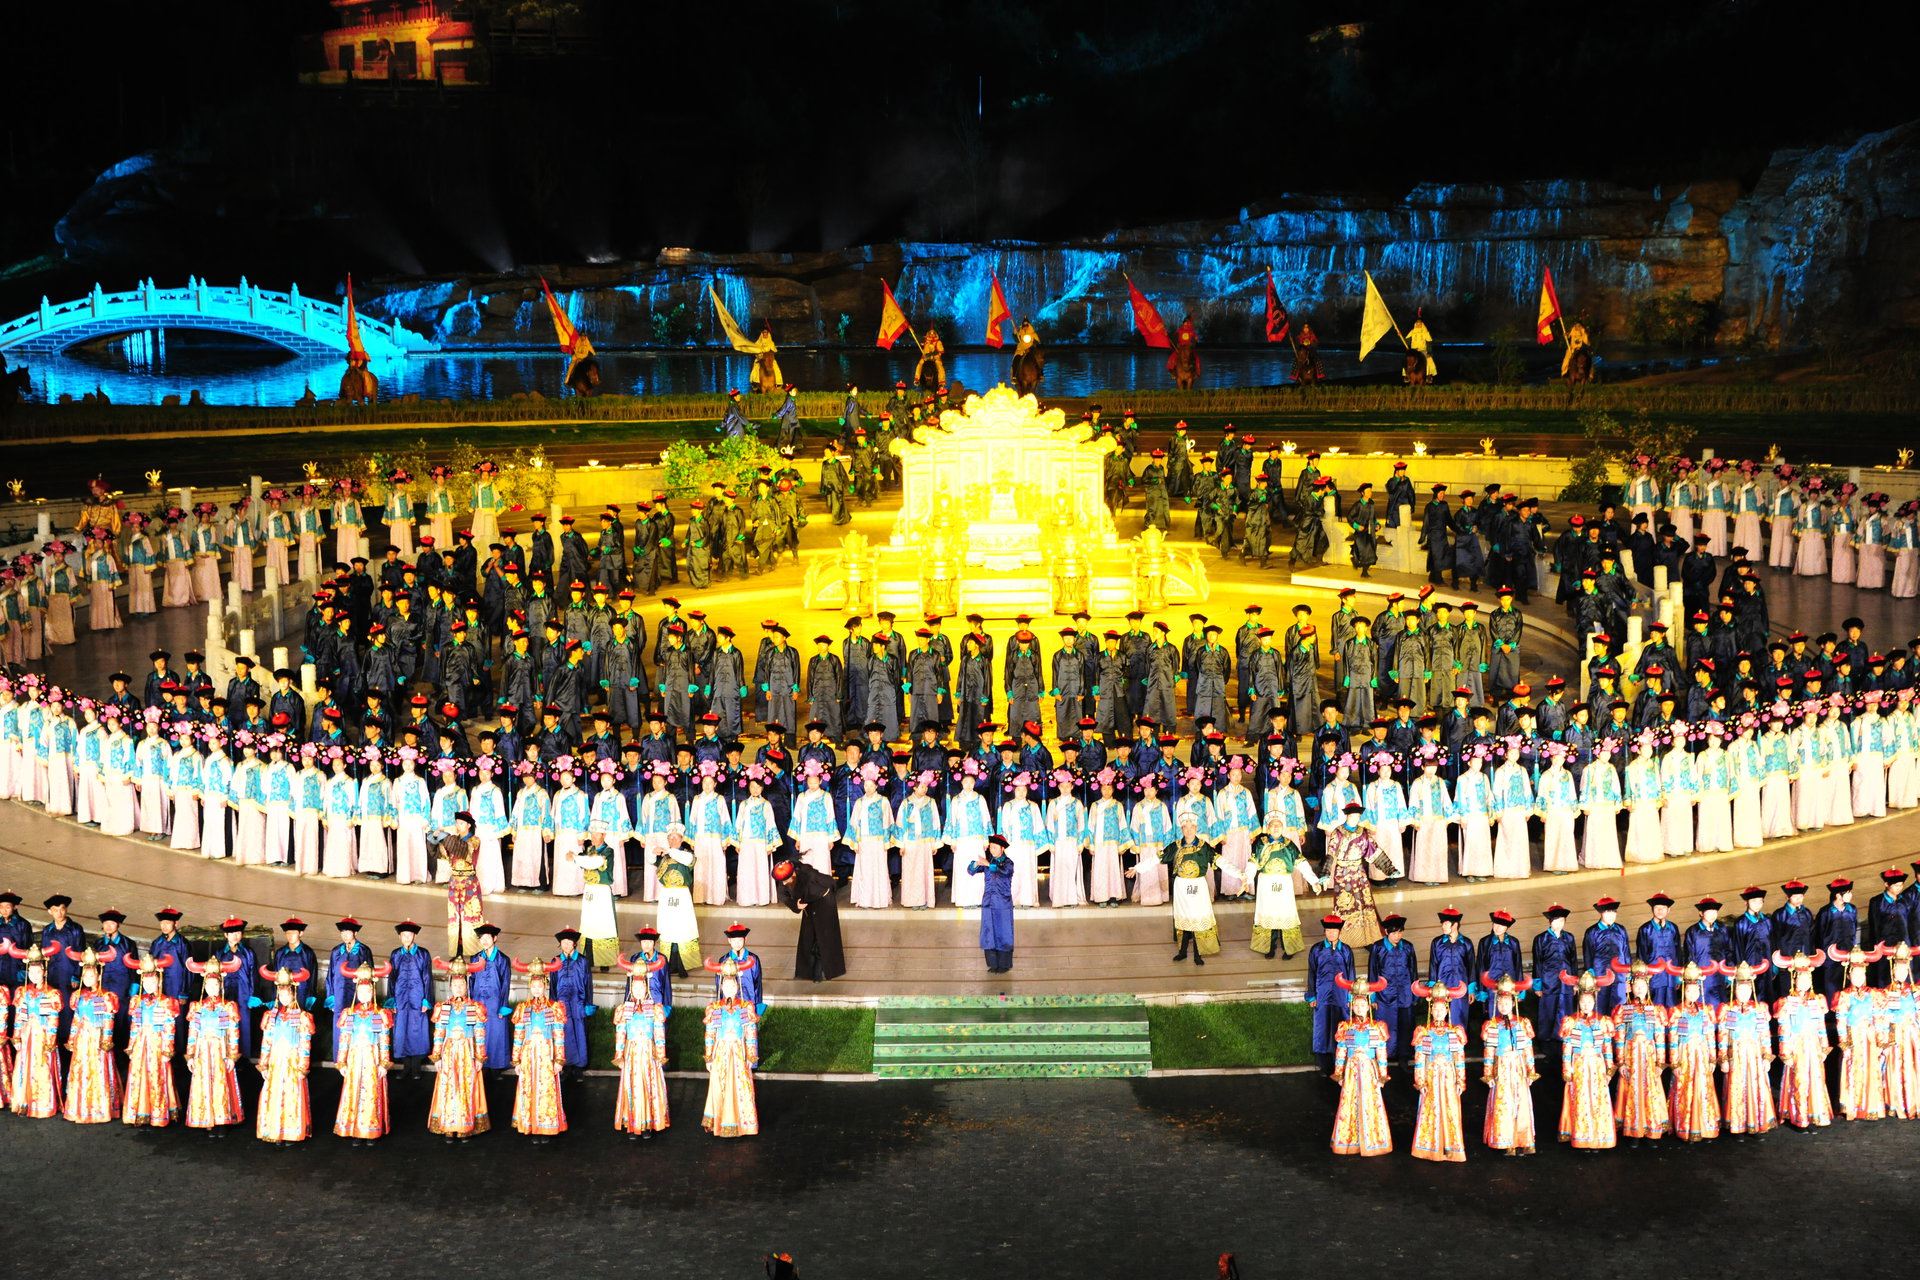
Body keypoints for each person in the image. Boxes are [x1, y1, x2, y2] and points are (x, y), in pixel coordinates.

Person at [1328, 978, 1392, 1157]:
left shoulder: (1377, 1027)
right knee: (1349, 1101)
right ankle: (1350, 1140)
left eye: (1362, 1005)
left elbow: (1381, 1052)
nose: (1359, 1009)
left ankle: (1373, 1140)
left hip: (1369, 1071)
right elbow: (1341, 1052)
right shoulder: (1346, 1027)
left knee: (1371, 1102)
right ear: (1351, 1006)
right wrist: (1339, 1074)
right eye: (1356, 1006)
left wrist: (1382, 1075)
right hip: (1351, 1070)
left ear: (1369, 1006)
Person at [1609, 960, 1671, 1145]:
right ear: (1631, 986)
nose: (1639, 988)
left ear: (1648, 986)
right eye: (1636, 985)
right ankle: (1634, 1130)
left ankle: (1652, 1130)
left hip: (1650, 1058)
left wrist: (1661, 1062)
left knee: (1650, 1091)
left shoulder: (1657, 1010)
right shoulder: (1622, 1010)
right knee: (1632, 1091)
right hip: (1631, 1057)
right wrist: (1620, 1062)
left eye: (1643, 985)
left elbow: (1660, 1038)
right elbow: (1619, 1038)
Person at [183, 954, 245, 1135]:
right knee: (203, 1083)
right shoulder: (197, 1007)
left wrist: (233, 1056)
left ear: (221, 985)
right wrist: (190, 1055)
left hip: (220, 1050)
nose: (213, 988)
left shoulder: (228, 1007)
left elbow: (233, 1033)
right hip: (202, 1050)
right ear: (204, 986)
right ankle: (206, 1119)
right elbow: (192, 1033)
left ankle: (222, 1120)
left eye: (216, 985)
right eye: (209, 985)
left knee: (221, 1083)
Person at [1556, 971, 1618, 1151]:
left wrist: (1609, 1068)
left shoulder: (1603, 1021)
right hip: (1579, 1065)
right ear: (1578, 1001)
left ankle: (1599, 1136)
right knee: (1580, 1098)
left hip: (1597, 1064)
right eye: (1583, 1001)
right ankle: (1582, 1136)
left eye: (1589, 1002)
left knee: (1598, 1099)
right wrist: (1567, 1069)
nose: (1585, 1005)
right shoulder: (1570, 1022)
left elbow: (1607, 1047)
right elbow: (1567, 1048)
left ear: (1594, 1001)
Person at [1408, 979, 1469, 1161]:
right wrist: (1420, 1082)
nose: (1438, 1012)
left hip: (1449, 1077)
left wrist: (1461, 1081)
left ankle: (1451, 1147)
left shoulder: (1454, 1032)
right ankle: (1429, 1146)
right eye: (1435, 1009)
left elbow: (1459, 1059)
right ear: (1430, 1010)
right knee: (1430, 1108)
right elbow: (1419, 1060)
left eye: (1441, 1009)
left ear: (1447, 1011)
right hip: (1431, 1076)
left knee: (1450, 1107)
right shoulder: (1424, 1032)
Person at [1771, 953, 1832, 1131]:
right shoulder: (1786, 1002)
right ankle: (1800, 1117)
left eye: (1807, 978)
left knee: (1817, 1079)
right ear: (1794, 979)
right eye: (1800, 978)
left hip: (1813, 1046)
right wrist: (1785, 1052)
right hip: (1796, 1045)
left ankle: (1816, 1114)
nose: (1804, 982)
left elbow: (1821, 1026)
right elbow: (1783, 1028)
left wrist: (1824, 1046)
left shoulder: (1818, 1000)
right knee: (1799, 1080)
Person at [510, 958, 569, 1143]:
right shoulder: (523, 1008)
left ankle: (546, 1126)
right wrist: (516, 1060)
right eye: (533, 986)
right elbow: (518, 1035)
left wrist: (559, 1060)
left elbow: (558, 1035)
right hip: (528, 1054)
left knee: (546, 1088)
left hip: (546, 1054)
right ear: (530, 987)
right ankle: (531, 1125)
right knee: (528, 1087)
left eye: (540, 986)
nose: (537, 989)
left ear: (545, 986)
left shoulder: (554, 1008)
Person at [255, 963, 314, 1145]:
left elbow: (305, 1043)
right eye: (280, 994)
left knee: (292, 1095)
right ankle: (275, 1130)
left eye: (287, 994)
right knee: (273, 1094)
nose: (283, 997)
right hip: (275, 1062)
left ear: (293, 993)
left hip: (292, 1062)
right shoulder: (271, 1015)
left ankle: (290, 1132)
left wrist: (303, 1066)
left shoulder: (302, 1017)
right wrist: (263, 1064)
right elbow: (267, 1042)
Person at [1480, 973, 1538, 1156]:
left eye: (1507, 1003)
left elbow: (1528, 1049)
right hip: (1502, 1068)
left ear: (1513, 1003)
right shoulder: (1492, 1025)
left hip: (1518, 1067)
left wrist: (1531, 1071)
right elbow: (1489, 1051)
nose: (1503, 1006)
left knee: (1521, 1103)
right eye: (1500, 1003)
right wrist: (1488, 1073)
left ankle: (1524, 1140)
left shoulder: (1522, 1023)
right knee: (1503, 1103)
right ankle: (1507, 1141)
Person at [1247, 811, 1319, 958]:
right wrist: (1246, 880)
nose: (1275, 828)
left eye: (1278, 825)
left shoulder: (1289, 845)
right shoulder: (1261, 844)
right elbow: (1253, 863)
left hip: (1284, 882)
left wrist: (1314, 881)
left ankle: (1289, 947)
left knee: (1286, 912)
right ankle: (1269, 946)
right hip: (1266, 882)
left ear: (1283, 827)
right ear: (1267, 827)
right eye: (1272, 825)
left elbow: (1302, 863)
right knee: (1268, 912)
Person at [121, 952, 181, 1128]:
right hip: (140, 1042)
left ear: (159, 981)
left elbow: (170, 1028)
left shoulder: (167, 1001)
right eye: (145, 982)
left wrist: (168, 1050)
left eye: (152, 981)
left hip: (157, 1042)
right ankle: (139, 1111)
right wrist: (131, 1047)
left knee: (157, 1075)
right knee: (138, 1076)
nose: (148, 985)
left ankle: (159, 1113)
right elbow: (134, 1026)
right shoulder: (137, 1001)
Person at [613, 958, 671, 1139]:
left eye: (642, 988)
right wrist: (619, 1056)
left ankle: (648, 1123)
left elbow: (659, 1034)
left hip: (648, 1053)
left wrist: (661, 1056)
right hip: (631, 1053)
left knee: (649, 1084)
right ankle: (632, 1122)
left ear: (646, 988)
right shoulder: (624, 1009)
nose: (638, 991)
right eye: (635, 988)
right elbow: (621, 1033)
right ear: (631, 989)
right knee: (632, 1085)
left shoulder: (654, 1009)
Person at [62, 946, 121, 1124]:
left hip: (97, 1038)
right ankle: (80, 1107)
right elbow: (76, 1019)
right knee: (81, 1071)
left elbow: (109, 1020)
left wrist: (106, 1040)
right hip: (82, 1039)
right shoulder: (78, 996)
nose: (88, 979)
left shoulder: (107, 996)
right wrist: (72, 1039)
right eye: (85, 976)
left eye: (91, 975)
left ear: (99, 976)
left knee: (99, 1070)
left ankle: (100, 1108)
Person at [1718, 959, 1776, 1136]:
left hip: (1754, 1055)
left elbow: (1765, 1035)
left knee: (1756, 1087)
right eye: (1740, 989)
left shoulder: (1760, 1008)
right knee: (1736, 1088)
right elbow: (1722, 1035)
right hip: (1735, 1054)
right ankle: (1738, 1125)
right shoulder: (1726, 1009)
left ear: (1752, 989)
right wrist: (1723, 1059)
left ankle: (1757, 1122)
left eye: (1747, 989)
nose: (1743, 993)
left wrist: (1767, 1057)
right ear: (1734, 989)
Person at [703, 959, 760, 1138]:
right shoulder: (715, 1008)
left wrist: (751, 1056)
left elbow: (750, 1033)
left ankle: (742, 1122)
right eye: (726, 985)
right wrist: (709, 1057)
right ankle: (720, 1121)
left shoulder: (745, 1007)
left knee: (740, 1085)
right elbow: (710, 1033)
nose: (729, 989)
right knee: (719, 1085)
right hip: (720, 1052)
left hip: (738, 1051)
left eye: (732, 985)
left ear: (737, 986)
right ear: (721, 987)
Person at [1830, 943, 1886, 1122]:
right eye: (1854, 974)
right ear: (1848, 975)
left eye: (1861, 974)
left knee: (1871, 1070)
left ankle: (1871, 1106)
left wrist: (1881, 1041)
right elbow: (1841, 1021)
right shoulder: (1844, 996)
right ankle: (1852, 1106)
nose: (1858, 977)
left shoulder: (1874, 994)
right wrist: (1844, 1042)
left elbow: (1878, 1018)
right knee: (1852, 1071)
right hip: (1853, 1038)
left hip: (1869, 1038)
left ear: (1865, 975)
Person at [1666, 962, 1722, 1141]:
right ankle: (1685, 1126)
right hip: (1685, 1053)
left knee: (1704, 1087)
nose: (1692, 994)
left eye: (1695, 990)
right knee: (1685, 1087)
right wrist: (1674, 1062)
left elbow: (1710, 1037)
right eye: (1689, 990)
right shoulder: (1676, 1012)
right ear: (1683, 990)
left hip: (1702, 1054)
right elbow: (1673, 1039)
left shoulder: (1707, 1010)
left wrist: (1713, 1059)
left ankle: (1705, 1126)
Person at [773, 858, 846, 982]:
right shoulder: (786, 878)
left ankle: (821, 969)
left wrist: (800, 903)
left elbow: (826, 886)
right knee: (808, 935)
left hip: (824, 901)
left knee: (824, 936)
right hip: (809, 902)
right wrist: (795, 905)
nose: (784, 883)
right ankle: (806, 971)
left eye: (786, 880)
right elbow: (783, 895)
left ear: (794, 874)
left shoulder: (808, 875)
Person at [1322, 802, 1383, 946]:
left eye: (1358, 816)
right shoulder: (1337, 832)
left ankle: (1367, 937)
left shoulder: (1363, 832)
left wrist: (1389, 868)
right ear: (1347, 815)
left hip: (1359, 872)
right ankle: (1344, 938)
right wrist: (1325, 874)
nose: (1355, 818)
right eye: (1353, 815)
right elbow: (1330, 853)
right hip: (1343, 873)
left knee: (1364, 903)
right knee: (1345, 904)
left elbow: (1373, 850)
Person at [1306, 915, 1356, 1074]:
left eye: (1334, 930)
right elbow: (1312, 973)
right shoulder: (1317, 949)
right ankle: (1324, 1064)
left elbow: (1351, 974)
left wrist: (1350, 997)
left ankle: (1340, 1063)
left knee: (1340, 1026)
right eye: (1328, 930)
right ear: (1325, 931)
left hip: (1341, 995)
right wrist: (1312, 995)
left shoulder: (1346, 950)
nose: (1331, 934)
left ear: (1339, 932)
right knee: (1322, 1027)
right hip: (1322, 994)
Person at [972, 834, 1017, 974]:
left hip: (1002, 904)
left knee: (1003, 933)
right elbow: (971, 870)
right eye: (991, 847)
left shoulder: (1008, 863)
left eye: (995, 847)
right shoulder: (988, 861)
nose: (992, 849)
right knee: (989, 933)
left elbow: (1004, 872)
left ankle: (1004, 964)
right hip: (988, 903)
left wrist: (988, 865)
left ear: (1002, 848)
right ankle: (993, 964)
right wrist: (976, 863)